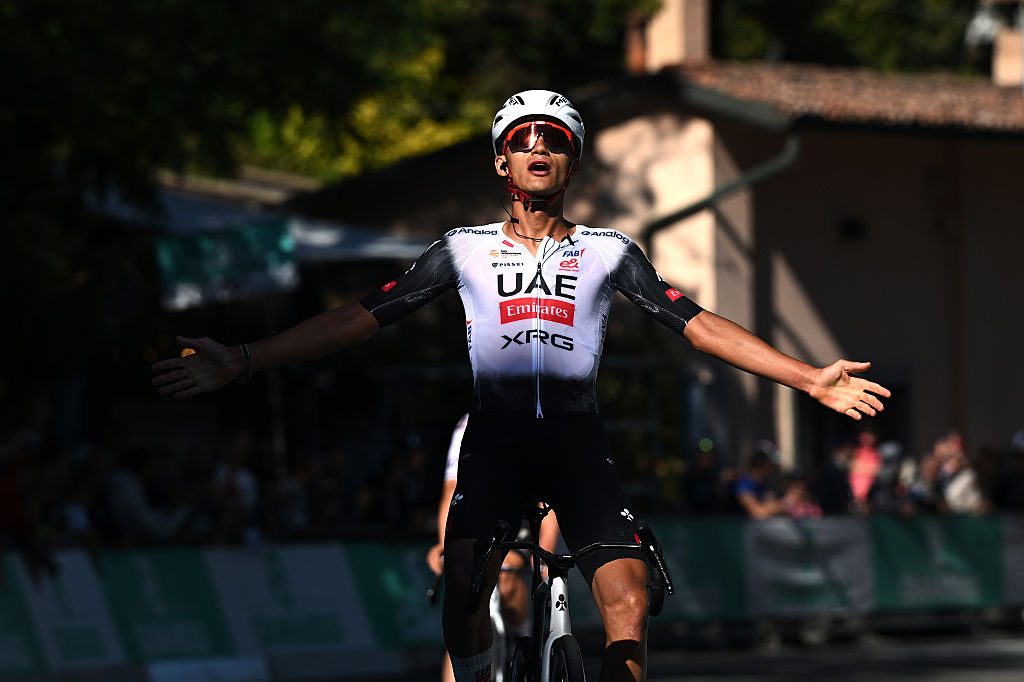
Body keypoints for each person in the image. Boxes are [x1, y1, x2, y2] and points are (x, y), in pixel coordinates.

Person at [152, 89, 890, 682]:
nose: (539, 148)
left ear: (572, 165)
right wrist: (245, 359)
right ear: (502, 162)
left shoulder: (610, 251)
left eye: (556, 139)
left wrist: (807, 379)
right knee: (468, 583)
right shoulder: (462, 250)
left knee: (629, 600)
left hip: (577, 444)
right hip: (496, 441)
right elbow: (359, 318)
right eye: (523, 139)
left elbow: (696, 324)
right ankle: (476, 672)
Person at [427, 414, 559, 682]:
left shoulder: (540, 415)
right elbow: (451, 490)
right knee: (464, 603)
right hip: (483, 515)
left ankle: (522, 638)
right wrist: (444, 547)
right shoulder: (466, 424)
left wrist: (544, 554)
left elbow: (552, 500)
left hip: (525, 519)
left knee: (510, 575)